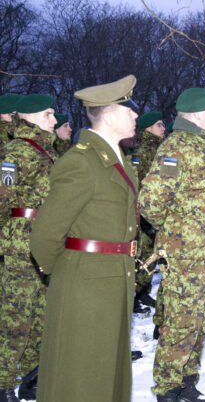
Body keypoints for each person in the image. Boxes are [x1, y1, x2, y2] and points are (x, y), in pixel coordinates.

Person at [30, 75, 139, 402]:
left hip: (115, 279)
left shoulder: (118, 160)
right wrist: (66, 275)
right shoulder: (81, 161)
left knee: (109, 373)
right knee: (82, 376)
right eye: (130, 109)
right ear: (109, 116)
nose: (136, 116)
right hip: (85, 284)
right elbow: (46, 234)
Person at [139, 88, 205, 402]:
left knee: (196, 322)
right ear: (195, 114)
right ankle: (167, 388)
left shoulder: (203, 145)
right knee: (181, 322)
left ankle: (186, 383)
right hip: (185, 253)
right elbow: (151, 200)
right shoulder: (176, 147)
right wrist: (176, 231)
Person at [0, 94, 58, 402]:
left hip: (46, 244)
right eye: (49, 114)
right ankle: (3, 381)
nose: (55, 119)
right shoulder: (13, 153)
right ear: (32, 117)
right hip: (21, 245)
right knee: (15, 318)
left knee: (42, 316)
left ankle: (34, 377)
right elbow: (2, 196)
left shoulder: (48, 151)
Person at [132, 111, 165, 316]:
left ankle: (142, 291)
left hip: (153, 211)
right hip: (143, 212)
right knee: (140, 256)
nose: (163, 129)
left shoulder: (159, 149)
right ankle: (134, 295)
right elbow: (135, 182)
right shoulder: (142, 151)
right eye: (159, 125)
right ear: (148, 129)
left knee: (148, 257)